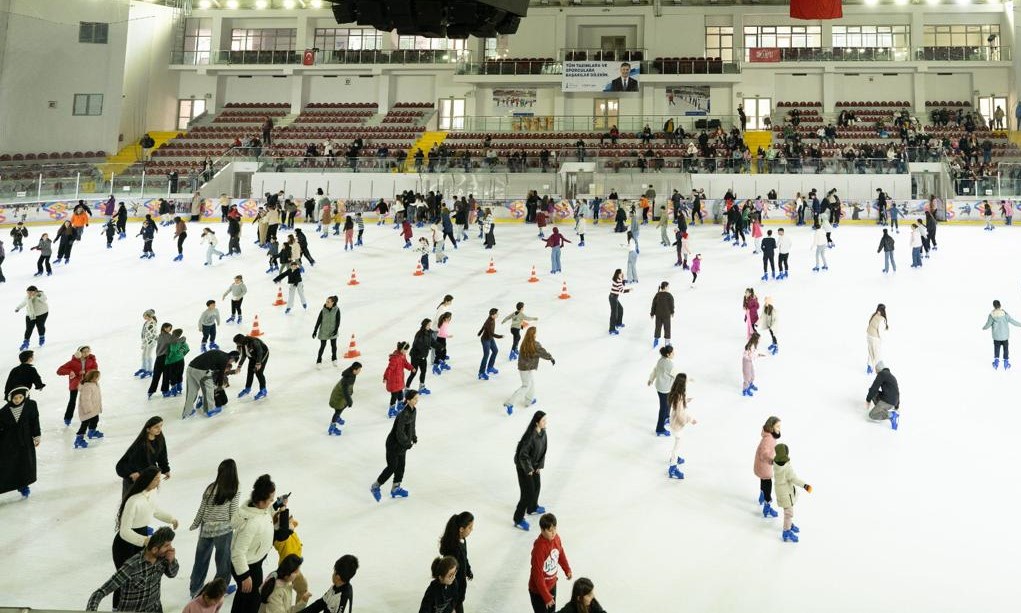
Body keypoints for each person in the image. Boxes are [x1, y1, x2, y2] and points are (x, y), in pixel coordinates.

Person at [86, 526, 179, 612]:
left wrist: (171, 560)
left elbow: (172, 574)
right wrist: (91, 610)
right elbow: (100, 593)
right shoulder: (131, 566)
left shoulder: (163, 558)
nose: (171, 548)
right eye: (167, 546)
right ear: (154, 549)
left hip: (155, 609)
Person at [189, 459, 241, 597]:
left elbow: (202, 509)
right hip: (224, 530)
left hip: (206, 528)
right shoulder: (234, 488)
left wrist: (195, 523)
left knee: (201, 559)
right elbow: (233, 512)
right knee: (223, 562)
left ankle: (195, 589)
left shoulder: (210, 488)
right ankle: (220, 590)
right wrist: (237, 526)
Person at [231, 474, 277, 613]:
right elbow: (238, 552)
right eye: (271, 499)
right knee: (249, 601)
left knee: (249, 598)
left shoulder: (258, 508)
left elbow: (268, 511)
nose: (272, 501)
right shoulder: (251, 524)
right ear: (262, 501)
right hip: (247, 566)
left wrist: (277, 505)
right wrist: (245, 576)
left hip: (254, 562)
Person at [370, 388, 419, 502]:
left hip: (403, 444)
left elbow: (412, 425)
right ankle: (375, 486)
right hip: (393, 444)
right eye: (415, 399)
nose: (417, 400)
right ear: (408, 400)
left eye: (417, 398)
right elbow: (399, 432)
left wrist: (413, 436)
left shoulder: (413, 410)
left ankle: (396, 488)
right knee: (392, 467)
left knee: (401, 466)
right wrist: (407, 442)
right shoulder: (403, 414)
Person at [503, 327, 555, 416]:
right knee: (526, 386)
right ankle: (509, 404)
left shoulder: (525, 342)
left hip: (524, 367)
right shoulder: (535, 344)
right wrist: (550, 358)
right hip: (525, 368)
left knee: (531, 383)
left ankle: (528, 400)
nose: (536, 334)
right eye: (535, 333)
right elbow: (543, 353)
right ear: (533, 334)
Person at [0, 387, 41, 498]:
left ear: (25, 396)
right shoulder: (4, 411)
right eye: (15, 398)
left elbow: (34, 421)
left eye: (20, 397)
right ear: (10, 398)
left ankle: (23, 485)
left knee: (25, 465)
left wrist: (37, 435)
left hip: (25, 442)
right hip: (9, 444)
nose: (17, 400)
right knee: (10, 466)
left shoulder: (30, 405)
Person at [528, 513, 572, 613]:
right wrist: (546, 596)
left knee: (552, 611)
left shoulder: (556, 538)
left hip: (552, 585)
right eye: (549, 530)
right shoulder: (539, 549)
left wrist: (567, 569)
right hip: (538, 591)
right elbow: (537, 575)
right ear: (542, 530)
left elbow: (560, 554)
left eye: (555, 529)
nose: (553, 533)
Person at [513, 411, 548, 531]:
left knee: (537, 486)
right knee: (527, 494)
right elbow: (523, 455)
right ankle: (518, 519)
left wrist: (539, 466)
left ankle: (532, 507)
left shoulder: (543, 432)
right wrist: (528, 469)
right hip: (524, 467)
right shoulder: (530, 436)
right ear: (537, 422)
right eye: (543, 420)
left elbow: (543, 451)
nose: (545, 422)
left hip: (534, 465)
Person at [773, 443, 812, 543]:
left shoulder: (776, 464)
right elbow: (794, 479)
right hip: (786, 493)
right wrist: (805, 485)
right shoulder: (786, 468)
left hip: (779, 491)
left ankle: (788, 524)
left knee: (787, 512)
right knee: (789, 513)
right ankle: (786, 531)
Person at [183, 349, 239, 419]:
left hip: (190, 367)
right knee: (209, 389)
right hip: (201, 370)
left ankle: (187, 411)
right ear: (232, 358)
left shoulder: (219, 353)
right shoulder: (225, 359)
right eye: (233, 361)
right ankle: (210, 410)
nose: (231, 362)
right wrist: (220, 385)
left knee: (191, 391)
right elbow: (221, 374)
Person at [438, 513, 474, 613]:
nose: (472, 530)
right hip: (454, 584)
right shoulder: (454, 548)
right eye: (470, 527)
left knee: (458, 604)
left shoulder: (462, 540)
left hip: (460, 582)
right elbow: (449, 569)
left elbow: (464, 558)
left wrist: (468, 570)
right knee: (456, 605)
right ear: (461, 529)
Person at [56, 346, 98, 427]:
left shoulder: (92, 361)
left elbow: (95, 371)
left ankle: (88, 418)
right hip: (75, 384)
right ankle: (68, 418)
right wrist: (71, 371)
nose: (86, 353)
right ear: (79, 352)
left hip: (87, 384)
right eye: (84, 351)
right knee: (72, 401)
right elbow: (59, 370)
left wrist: (86, 372)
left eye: (88, 351)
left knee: (87, 401)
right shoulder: (73, 362)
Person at [665, 373, 696, 480]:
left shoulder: (676, 393)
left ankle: (675, 458)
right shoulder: (679, 397)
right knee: (677, 447)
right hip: (677, 426)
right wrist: (689, 420)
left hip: (673, 423)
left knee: (677, 445)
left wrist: (686, 400)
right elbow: (680, 414)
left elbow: (679, 405)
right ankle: (673, 468)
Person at [754, 416, 782, 518]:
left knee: (764, 480)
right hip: (764, 465)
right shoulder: (769, 439)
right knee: (768, 484)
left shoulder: (770, 436)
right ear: (771, 427)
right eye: (777, 426)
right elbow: (764, 453)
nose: (779, 429)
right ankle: (767, 505)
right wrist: (772, 460)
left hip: (762, 465)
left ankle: (762, 496)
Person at [983, 299, 1021, 369]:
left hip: (996, 336)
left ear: (993, 306)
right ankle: (1006, 363)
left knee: (996, 348)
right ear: (1000, 305)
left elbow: (988, 325)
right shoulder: (1005, 314)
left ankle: (996, 363)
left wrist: (984, 328)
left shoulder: (991, 315)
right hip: (1005, 336)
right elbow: (1013, 321)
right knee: (1006, 349)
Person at [647, 345, 674, 437]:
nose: (674, 354)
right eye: (672, 352)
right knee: (663, 408)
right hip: (664, 389)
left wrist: (651, 379)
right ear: (668, 354)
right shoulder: (669, 364)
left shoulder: (661, 360)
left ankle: (666, 417)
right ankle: (660, 429)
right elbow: (676, 375)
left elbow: (655, 370)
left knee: (668, 402)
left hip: (661, 386)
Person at [72, 369, 104, 449]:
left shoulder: (95, 384)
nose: (99, 378)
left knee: (95, 419)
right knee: (84, 424)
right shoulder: (87, 387)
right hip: (87, 410)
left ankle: (92, 432)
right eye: (97, 377)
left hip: (94, 408)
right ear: (93, 378)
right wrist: (88, 409)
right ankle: (79, 439)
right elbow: (85, 399)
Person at [328, 362, 361, 436]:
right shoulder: (348, 378)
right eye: (359, 370)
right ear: (354, 370)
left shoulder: (352, 373)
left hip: (342, 395)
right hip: (339, 396)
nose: (360, 371)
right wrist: (349, 400)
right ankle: (332, 427)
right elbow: (345, 391)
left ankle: (337, 418)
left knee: (342, 407)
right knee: (338, 410)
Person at [233, 334, 270, 401]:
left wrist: (258, 363)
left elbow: (260, 352)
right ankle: (247, 388)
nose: (237, 345)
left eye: (237, 343)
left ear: (241, 341)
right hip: (253, 356)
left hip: (262, 354)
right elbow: (244, 356)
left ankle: (263, 390)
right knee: (250, 372)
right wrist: (239, 366)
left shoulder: (254, 342)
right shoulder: (243, 344)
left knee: (259, 372)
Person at [865, 361, 900, 431]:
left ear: (878, 370)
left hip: (887, 401)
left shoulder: (882, 374)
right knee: (874, 393)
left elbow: (874, 388)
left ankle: (891, 415)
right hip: (893, 402)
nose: (876, 373)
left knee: (872, 415)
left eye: (876, 371)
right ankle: (881, 409)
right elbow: (897, 392)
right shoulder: (891, 376)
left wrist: (868, 400)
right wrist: (897, 406)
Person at [383, 342, 413, 419]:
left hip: (399, 379)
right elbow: (389, 369)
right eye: (406, 350)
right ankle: (391, 410)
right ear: (402, 349)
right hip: (393, 381)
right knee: (394, 396)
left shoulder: (402, 355)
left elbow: (405, 363)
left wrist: (411, 368)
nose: (407, 352)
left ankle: (400, 405)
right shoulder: (395, 358)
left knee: (400, 393)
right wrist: (386, 377)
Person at [15, 285, 48, 351]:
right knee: (29, 328)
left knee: (40, 326)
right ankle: (26, 342)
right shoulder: (28, 297)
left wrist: (37, 295)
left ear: (35, 291)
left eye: (30, 292)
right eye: (27, 292)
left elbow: (44, 299)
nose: (28, 294)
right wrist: (18, 308)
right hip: (31, 314)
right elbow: (24, 302)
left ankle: (41, 337)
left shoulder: (40, 294)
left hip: (41, 314)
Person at [313, 296, 341, 366]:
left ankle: (334, 358)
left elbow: (338, 321)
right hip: (324, 331)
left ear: (332, 303)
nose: (326, 303)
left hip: (333, 330)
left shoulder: (336, 310)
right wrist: (315, 331)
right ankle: (319, 360)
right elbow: (318, 321)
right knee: (322, 346)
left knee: (334, 346)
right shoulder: (323, 310)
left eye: (328, 302)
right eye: (326, 301)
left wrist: (336, 330)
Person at [477, 308, 502, 381]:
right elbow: (491, 333)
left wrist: (480, 332)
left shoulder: (491, 319)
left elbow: (484, 325)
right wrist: (500, 336)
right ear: (493, 315)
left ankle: (490, 367)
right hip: (485, 340)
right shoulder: (489, 322)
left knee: (495, 351)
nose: (498, 315)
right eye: (497, 314)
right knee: (486, 355)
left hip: (490, 338)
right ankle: (481, 372)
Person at [649, 281, 674, 348]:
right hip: (666, 315)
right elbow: (671, 305)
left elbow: (653, 305)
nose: (668, 288)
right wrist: (672, 312)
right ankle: (667, 343)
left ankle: (656, 341)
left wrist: (652, 313)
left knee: (658, 328)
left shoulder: (657, 295)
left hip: (658, 315)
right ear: (665, 287)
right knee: (667, 328)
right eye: (668, 286)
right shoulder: (669, 295)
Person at [866, 304, 888, 374]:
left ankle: (869, 367)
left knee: (870, 352)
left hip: (868, 335)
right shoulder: (882, 319)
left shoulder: (873, 315)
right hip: (875, 338)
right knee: (877, 354)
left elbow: (870, 323)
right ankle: (879, 371)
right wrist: (881, 340)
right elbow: (880, 332)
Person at [741, 332, 764, 397]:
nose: (760, 340)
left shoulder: (754, 345)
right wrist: (758, 355)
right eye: (759, 339)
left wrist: (758, 354)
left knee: (752, 375)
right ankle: (745, 390)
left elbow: (753, 354)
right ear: (755, 339)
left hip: (750, 361)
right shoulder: (750, 346)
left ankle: (750, 385)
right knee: (747, 377)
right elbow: (751, 356)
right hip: (746, 361)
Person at [608, 269, 630, 334]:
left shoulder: (618, 279)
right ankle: (611, 329)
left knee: (620, 309)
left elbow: (621, 285)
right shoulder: (617, 280)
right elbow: (621, 290)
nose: (622, 273)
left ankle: (618, 323)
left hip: (614, 297)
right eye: (621, 273)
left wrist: (623, 280)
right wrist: (629, 290)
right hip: (613, 298)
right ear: (618, 274)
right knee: (614, 314)